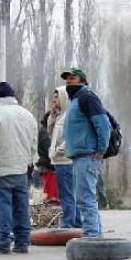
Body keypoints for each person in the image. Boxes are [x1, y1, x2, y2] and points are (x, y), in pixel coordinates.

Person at [0, 82, 38, 254]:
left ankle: (3, 241)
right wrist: (29, 164)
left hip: (1, 171)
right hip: (22, 169)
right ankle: (22, 242)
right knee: (21, 206)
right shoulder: (28, 115)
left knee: (3, 206)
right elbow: (33, 144)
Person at [61, 67, 111, 238]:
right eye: (66, 78)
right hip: (80, 156)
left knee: (85, 198)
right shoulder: (76, 100)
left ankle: (91, 236)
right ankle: (96, 236)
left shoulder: (87, 97)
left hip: (88, 156)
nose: (68, 81)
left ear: (82, 80)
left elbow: (103, 124)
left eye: (72, 78)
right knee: (86, 198)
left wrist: (101, 150)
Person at [47, 86, 82, 228]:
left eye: (56, 97)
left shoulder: (70, 115)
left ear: (63, 97)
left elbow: (71, 138)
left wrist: (58, 152)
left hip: (65, 160)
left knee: (67, 195)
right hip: (59, 160)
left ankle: (68, 223)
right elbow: (51, 134)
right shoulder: (61, 116)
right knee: (68, 193)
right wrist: (52, 116)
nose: (54, 100)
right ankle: (77, 222)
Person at [36, 111, 58, 202]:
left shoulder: (43, 129)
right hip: (48, 166)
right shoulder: (46, 131)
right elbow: (48, 149)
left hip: (46, 165)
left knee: (49, 191)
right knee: (52, 195)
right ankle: (51, 214)